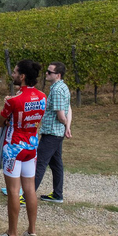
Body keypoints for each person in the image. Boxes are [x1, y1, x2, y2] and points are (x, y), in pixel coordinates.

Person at [0, 60, 46, 236]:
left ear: (22, 77)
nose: (13, 75)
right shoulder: (42, 96)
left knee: (14, 191)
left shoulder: (13, 100)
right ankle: (32, 232)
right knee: (29, 189)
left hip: (13, 148)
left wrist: (8, 105)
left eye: (15, 72)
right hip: (31, 146)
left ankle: (11, 235)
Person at [35, 62, 72, 204]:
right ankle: (58, 194)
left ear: (58, 75)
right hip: (58, 132)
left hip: (51, 132)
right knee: (56, 164)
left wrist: (65, 124)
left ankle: (27, 196)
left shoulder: (56, 90)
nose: (46, 74)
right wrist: (67, 127)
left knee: (40, 163)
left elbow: (61, 115)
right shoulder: (64, 87)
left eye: (49, 72)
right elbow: (69, 108)